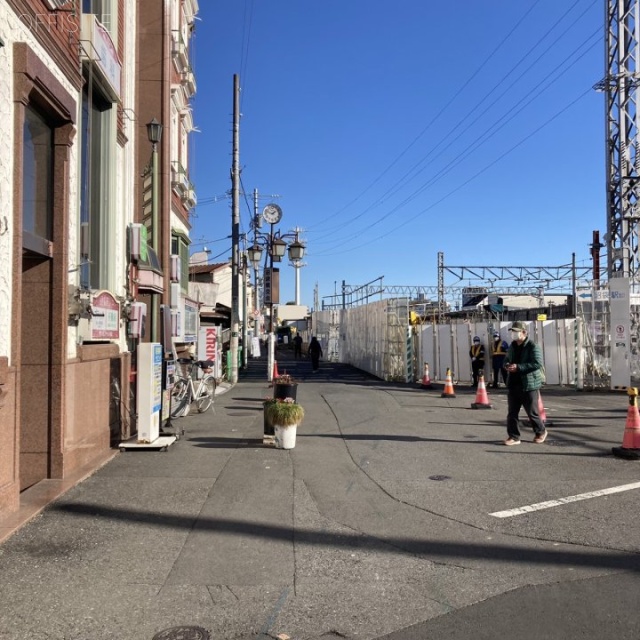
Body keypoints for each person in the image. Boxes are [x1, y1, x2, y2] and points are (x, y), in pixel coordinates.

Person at [503, 321, 547, 446]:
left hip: (529, 384)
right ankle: (514, 436)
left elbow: (537, 363)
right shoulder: (512, 346)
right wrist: (507, 365)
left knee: (532, 412)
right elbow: (506, 359)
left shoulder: (532, 346)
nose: (514, 334)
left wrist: (519, 367)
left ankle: (541, 431)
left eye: (516, 331)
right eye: (512, 331)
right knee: (512, 413)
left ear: (524, 332)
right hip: (513, 383)